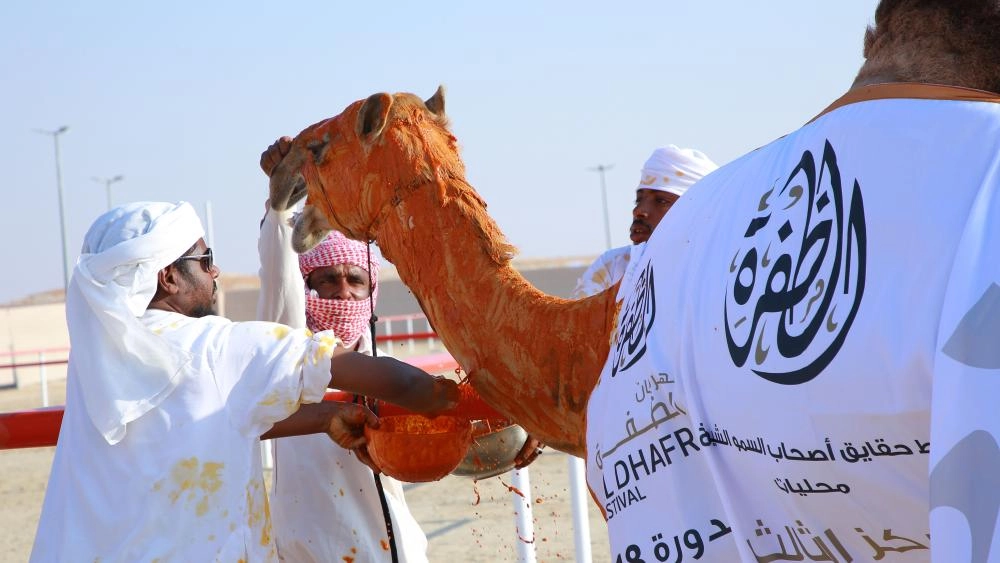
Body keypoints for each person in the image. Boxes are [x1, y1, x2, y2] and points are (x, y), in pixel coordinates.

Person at [585, 1, 1000, 561]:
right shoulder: (636, 264)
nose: (642, 216)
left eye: (657, 201)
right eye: (641, 201)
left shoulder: (698, 228)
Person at [30, 201, 457, 562]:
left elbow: (204, 420)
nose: (216, 273)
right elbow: (396, 383)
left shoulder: (98, 364)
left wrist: (328, 416)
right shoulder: (218, 347)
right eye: (205, 259)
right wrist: (457, 399)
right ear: (168, 276)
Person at [258, 137, 543, 562]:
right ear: (306, 286)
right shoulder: (288, 347)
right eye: (327, 280)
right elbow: (278, 274)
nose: (343, 292)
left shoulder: (382, 370)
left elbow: (443, 429)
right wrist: (279, 208)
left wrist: (525, 418)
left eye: (355, 280)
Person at [571, 145, 718, 298]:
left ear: (697, 214)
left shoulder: (719, 276)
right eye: (638, 200)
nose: (639, 211)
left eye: (661, 201)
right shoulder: (614, 267)